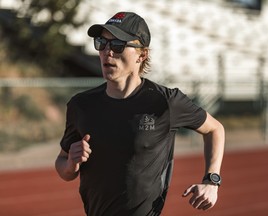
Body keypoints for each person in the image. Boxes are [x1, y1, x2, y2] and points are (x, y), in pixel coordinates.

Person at [55, 11, 225, 216]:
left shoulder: (165, 101)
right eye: (102, 43)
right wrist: (72, 162)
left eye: (117, 45)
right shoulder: (81, 105)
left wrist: (211, 180)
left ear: (141, 55)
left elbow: (215, 129)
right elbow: (63, 166)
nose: (107, 52)